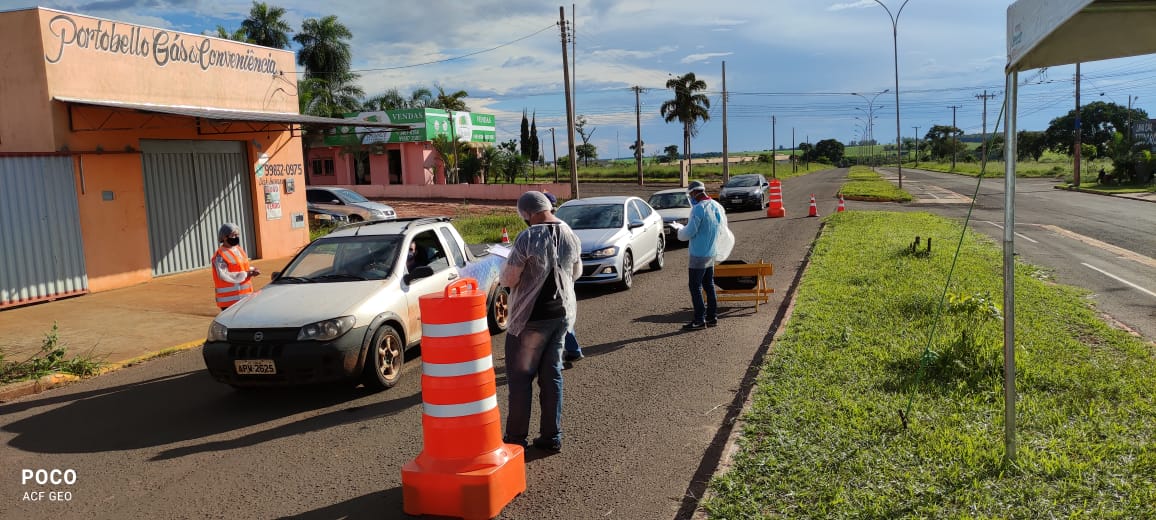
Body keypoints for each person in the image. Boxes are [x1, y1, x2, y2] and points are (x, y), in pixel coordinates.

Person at [499, 191, 582, 452]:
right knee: (551, 376)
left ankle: (515, 439)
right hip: (560, 316)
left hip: (530, 322)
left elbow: (509, 279)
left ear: (527, 213)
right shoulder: (569, 233)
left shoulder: (528, 236)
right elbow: (576, 272)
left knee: (521, 380)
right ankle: (551, 436)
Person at [676, 181, 726, 330]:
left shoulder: (698, 209)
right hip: (711, 252)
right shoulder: (715, 206)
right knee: (709, 285)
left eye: (690, 194)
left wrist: (679, 230)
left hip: (698, 254)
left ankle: (699, 319)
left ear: (694, 193)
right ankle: (712, 317)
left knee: (695, 286)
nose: (690, 197)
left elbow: (688, 233)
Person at [211, 223, 259, 311]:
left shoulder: (238, 250)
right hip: (230, 301)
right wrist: (246, 274)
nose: (236, 237)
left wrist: (252, 270)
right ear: (225, 237)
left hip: (245, 297)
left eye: (237, 235)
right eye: (233, 235)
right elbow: (224, 275)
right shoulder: (220, 255)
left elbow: (241, 267)